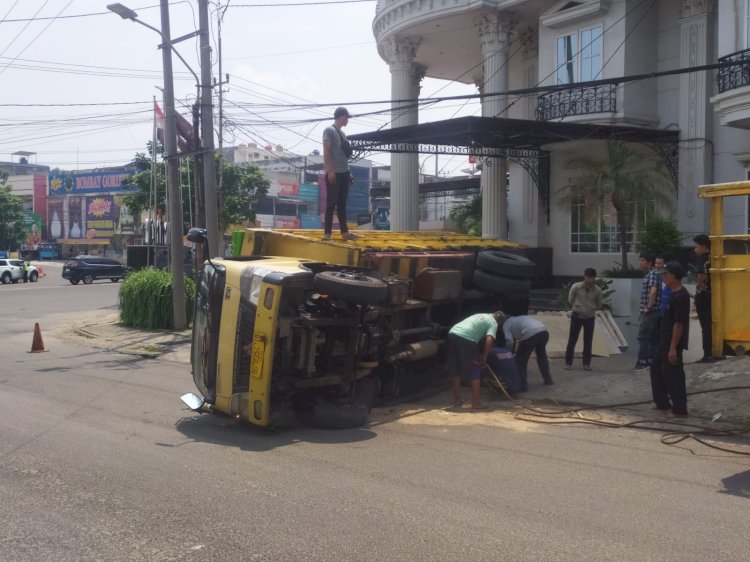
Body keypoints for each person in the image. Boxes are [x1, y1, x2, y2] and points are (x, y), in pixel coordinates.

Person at [649, 261, 690, 417]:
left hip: (673, 341)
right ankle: (662, 402)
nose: (664, 278)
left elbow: (679, 324)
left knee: (673, 374)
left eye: (665, 275)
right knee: (655, 368)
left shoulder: (681, 296)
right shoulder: (671, 293)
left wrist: (673, 348)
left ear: (673, 276)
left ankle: (680, 409)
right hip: (664, 339)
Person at [448, 311, 506, 409]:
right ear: (499, 322)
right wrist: (484, 356)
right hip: (466, 338)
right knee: (475, 367)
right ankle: (476, 402)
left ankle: (457, 400)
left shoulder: (482, 315)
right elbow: (489, 340)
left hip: (453, 333)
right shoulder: (493, 323)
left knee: (456, 369)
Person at [322, 107, 357, 241]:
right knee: (331, 203)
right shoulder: (329, 131)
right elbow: (326, 151)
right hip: (334, 172)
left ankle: (345, 232)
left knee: (342, 204)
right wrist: (330, 170)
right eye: (347, 117)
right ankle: (327, 233)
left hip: (344, 172)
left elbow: (342, 156)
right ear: (342, 117)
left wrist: (348, 173)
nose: (347, 120)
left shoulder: (343, 134)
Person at [564, 268, 602, 371]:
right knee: (572, 340)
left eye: (592, 278)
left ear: (594, 278)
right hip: (577, 316)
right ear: (584, 277)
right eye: (588, 277)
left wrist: (591, 308)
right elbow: (570, 300)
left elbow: (599, 304)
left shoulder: (597, 290)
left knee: (588, 341)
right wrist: (578, 307)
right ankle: (568, 363)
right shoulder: (576, 287)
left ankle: (586, 363)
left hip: (590, 318)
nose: (590, 280)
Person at [502, 315, 553, 391]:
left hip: (530, 334)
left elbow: (509, 341)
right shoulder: (519, 318)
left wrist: (508, 353)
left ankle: (522, 386)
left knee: (520, 360)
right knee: (541, 356)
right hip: (544, 331)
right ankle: (548, 380)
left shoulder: (506, 324)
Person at [635, 252, 660, 370]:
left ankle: (642, 361)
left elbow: (653, 291)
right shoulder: (651, 274)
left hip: (651, 311)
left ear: (649, 262)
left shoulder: (653, 274)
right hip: (652, 310)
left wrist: (648, 307)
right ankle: (650, 360)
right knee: (651, 337)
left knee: (643, 336)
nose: (640, 263)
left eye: (642, 260)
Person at [693, 234, 713, 362]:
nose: (695, 249)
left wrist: (700, 288)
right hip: (713, 295)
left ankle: (707, 354)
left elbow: (701, 275)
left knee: (705, 326)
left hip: (704, 296)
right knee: (711, 325)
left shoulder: (702, 258)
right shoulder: (714, 257)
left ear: (704, 246)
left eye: (697, 246)